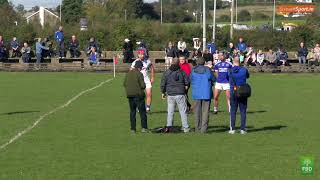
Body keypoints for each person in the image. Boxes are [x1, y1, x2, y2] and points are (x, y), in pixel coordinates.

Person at [161, 58, 190, 133]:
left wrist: (163, 92)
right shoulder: (182, 72)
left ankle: (169, 126)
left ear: (171, 62)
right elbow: (187, 82)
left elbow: (163, 83)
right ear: (178, 63)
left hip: (170, 94)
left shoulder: (167, 72)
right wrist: (185, 88)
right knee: (183, 111)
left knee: (170, 112)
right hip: (180, 93)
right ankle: (186, 127)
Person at [190, 57, 215, 133]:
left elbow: (190, 79)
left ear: (197, 62)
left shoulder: (193, 70)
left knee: (197, 111)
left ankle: (197, 128)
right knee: (205, 111)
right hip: (206, 93)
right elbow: (213, 79)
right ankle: (203, 129)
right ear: (204, 63)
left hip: (196, 93)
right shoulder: (207, 70)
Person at [123, 60, 148, 133]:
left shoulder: (128, 74)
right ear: (139, 67)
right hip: (138, 95)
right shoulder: (139, 74)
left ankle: (133, 129)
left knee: (132, 112)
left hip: (130, 95)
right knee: (142, 112)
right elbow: (143, 86)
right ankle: (144, 128)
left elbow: (124, 84)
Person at [227, 56, 250, 134]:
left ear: (233, 62)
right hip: (242, 91)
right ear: (239, 62)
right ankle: (242, 129)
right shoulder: (244, 70)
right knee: (243, 111)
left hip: (233, 91)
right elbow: (247, 76)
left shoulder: (229, 70)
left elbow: (228, 78)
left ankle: (232, 129)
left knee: (233, 111)